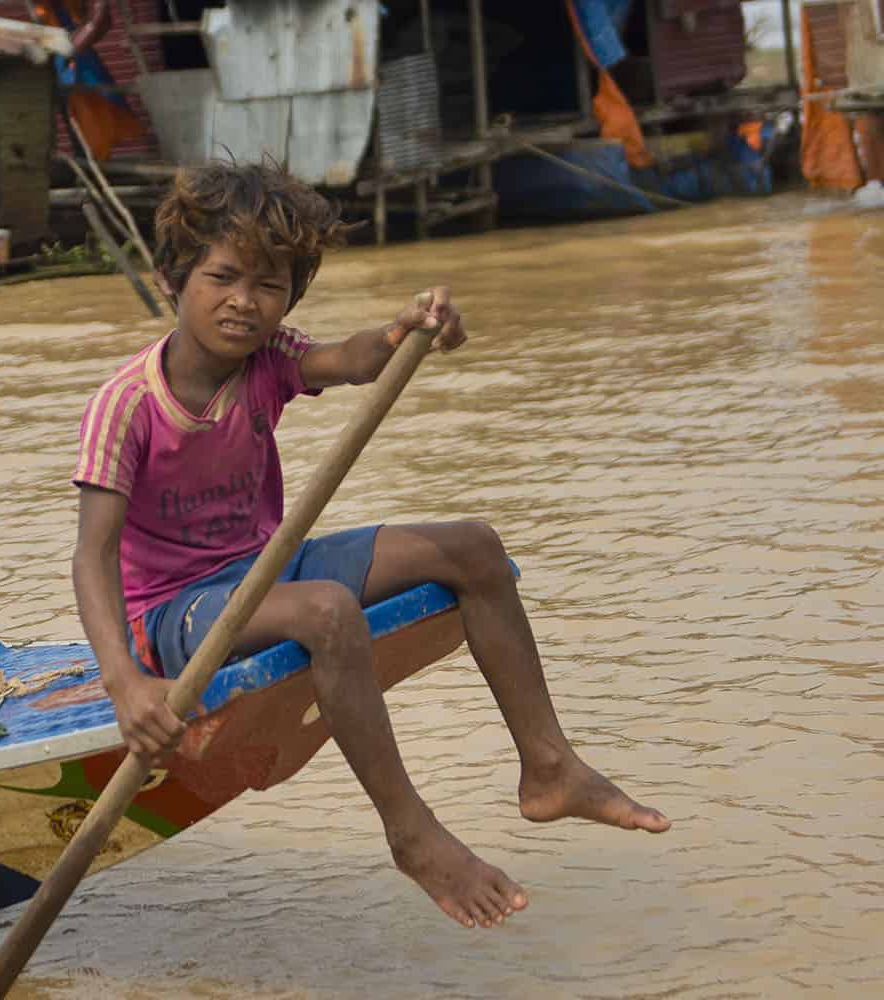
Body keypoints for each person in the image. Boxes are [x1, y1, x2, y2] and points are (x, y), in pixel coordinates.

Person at [70, 161, 670, 931]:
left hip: (266, 568)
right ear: (170, 281)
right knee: (326, 611)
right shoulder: (125, 406)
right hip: (178, 612)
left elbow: (352, 360)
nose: (244, 303)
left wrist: (409, 328)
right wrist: (124, 682)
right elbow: (91, 557)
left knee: (476, 549)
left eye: (270, 285)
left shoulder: (268, 361)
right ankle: (411, 831)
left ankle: (549, 766)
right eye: (222, 278)